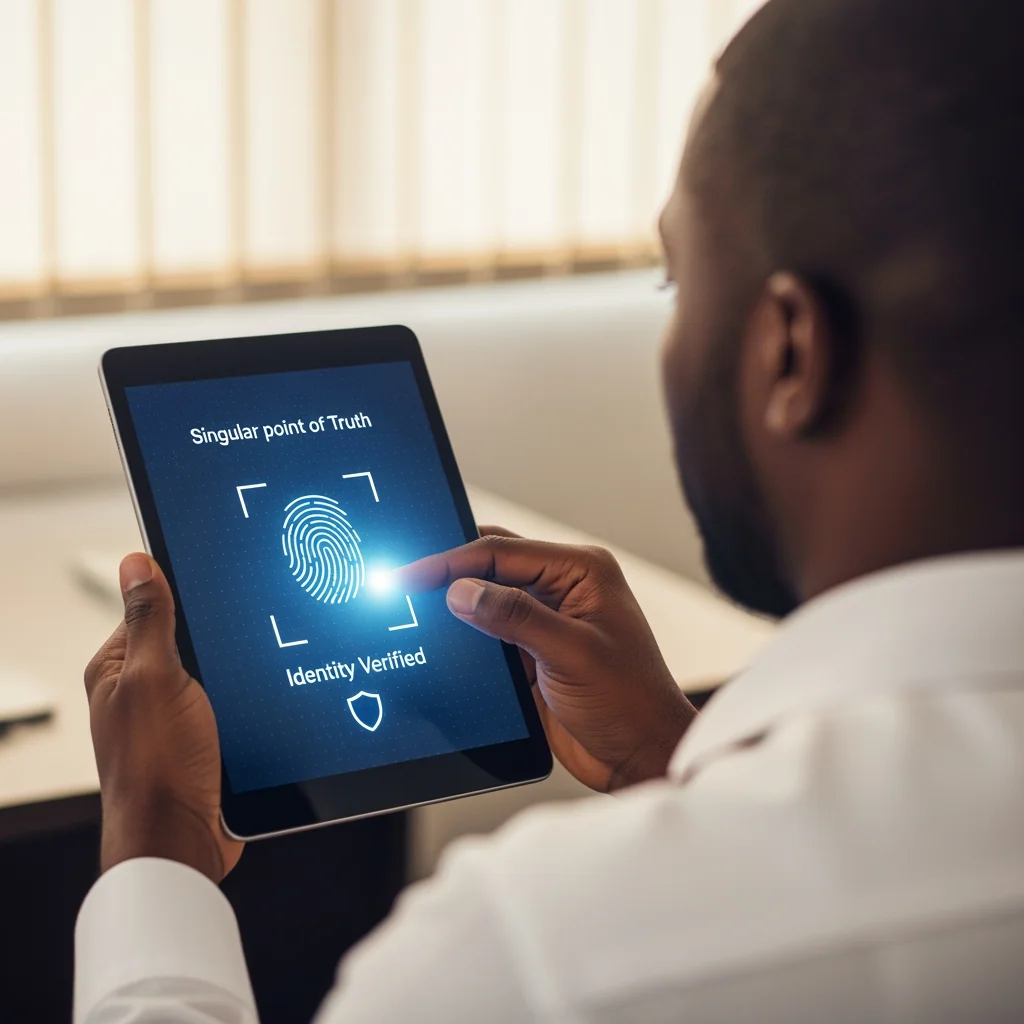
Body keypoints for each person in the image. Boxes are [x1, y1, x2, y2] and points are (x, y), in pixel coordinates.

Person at [75, 0, 1024, 1020]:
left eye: (674, 284)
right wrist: (667, 757)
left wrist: (157, 841)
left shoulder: (538, 953)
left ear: (789, 351)